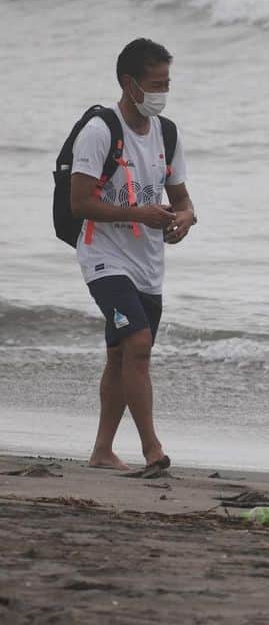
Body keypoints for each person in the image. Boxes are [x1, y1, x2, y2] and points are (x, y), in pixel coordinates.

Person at [70, 38, 196, 474]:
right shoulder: (100, 131)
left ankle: (102, 450)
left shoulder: (168, 133)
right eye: (155, 84)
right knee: (138, 346)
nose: (163, 92)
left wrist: (184, 219)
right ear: (130, 83)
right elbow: (80, 202)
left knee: (122, 357)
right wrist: (138, 212)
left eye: (167, 83)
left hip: (148, 263)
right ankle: (152, 450)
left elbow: (182, 199)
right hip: (103, 256)